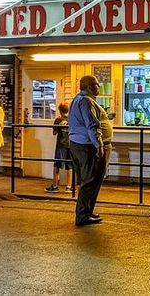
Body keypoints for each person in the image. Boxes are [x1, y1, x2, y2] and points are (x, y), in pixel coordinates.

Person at [69, 75, 107, 226]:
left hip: (76, 143)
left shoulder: (76, 99)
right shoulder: (86, 102)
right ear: (90, 86)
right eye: (97, 85)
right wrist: (99, 145)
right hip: (86, 145)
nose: (99, 87)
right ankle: (83, 215)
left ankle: (87, 210)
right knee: (91, 180)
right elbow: (92, 125)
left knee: (86, 180)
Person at [46, 102, 73, 193]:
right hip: (70, 144)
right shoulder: (72, 119)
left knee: (57, 164)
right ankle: (69, 186)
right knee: (70, 165)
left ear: (60, 111)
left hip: (61, 144)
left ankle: (55, 185)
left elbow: (54, 133)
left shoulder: (58, 120)